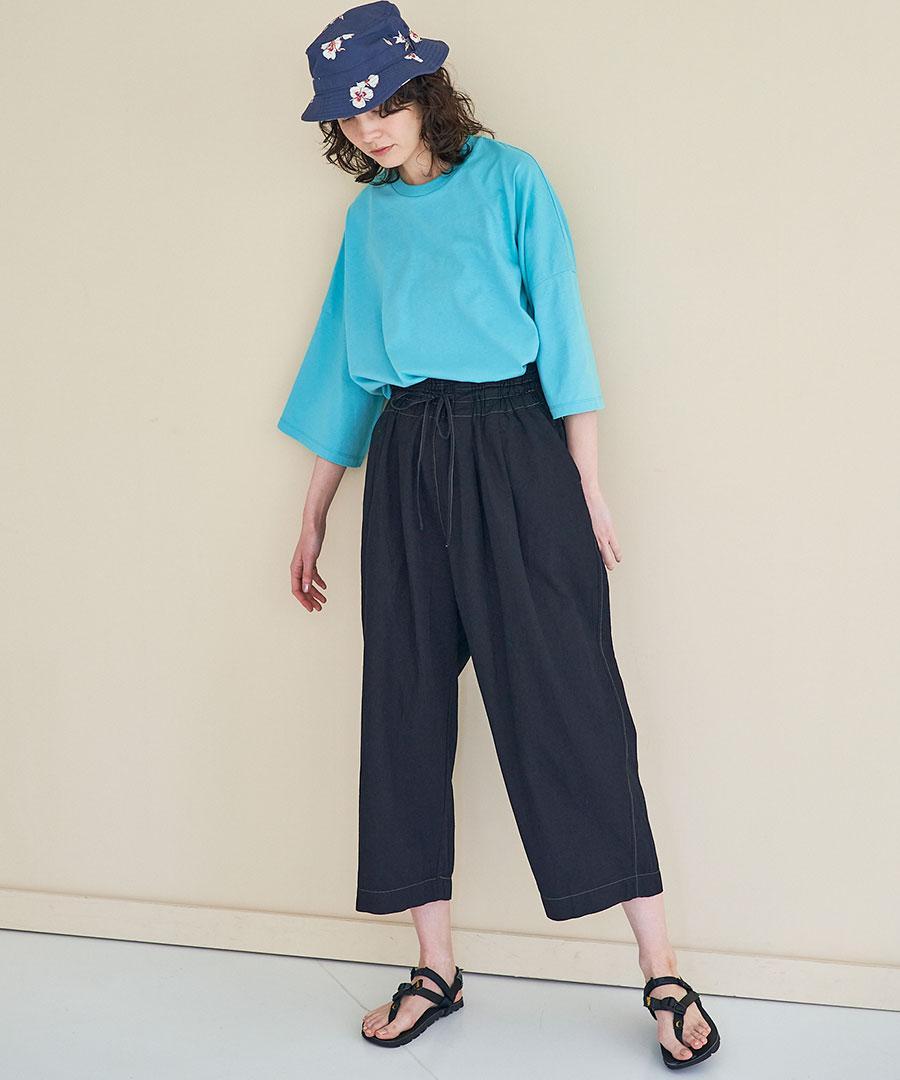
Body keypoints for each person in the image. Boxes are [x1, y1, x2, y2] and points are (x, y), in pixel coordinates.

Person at [278, 1, 720, 1069]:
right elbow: (346, 363)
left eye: (385, 103)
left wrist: (588, 486)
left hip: (516, 445)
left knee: (573, 701)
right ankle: (436, 966)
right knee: (404, 708)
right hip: (408, 454)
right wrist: (315, 509)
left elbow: (562, 329)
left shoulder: (512, 178)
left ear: (424, 91)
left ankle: (662, 968)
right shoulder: (369, 221)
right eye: (351, 114)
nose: (371, 127)